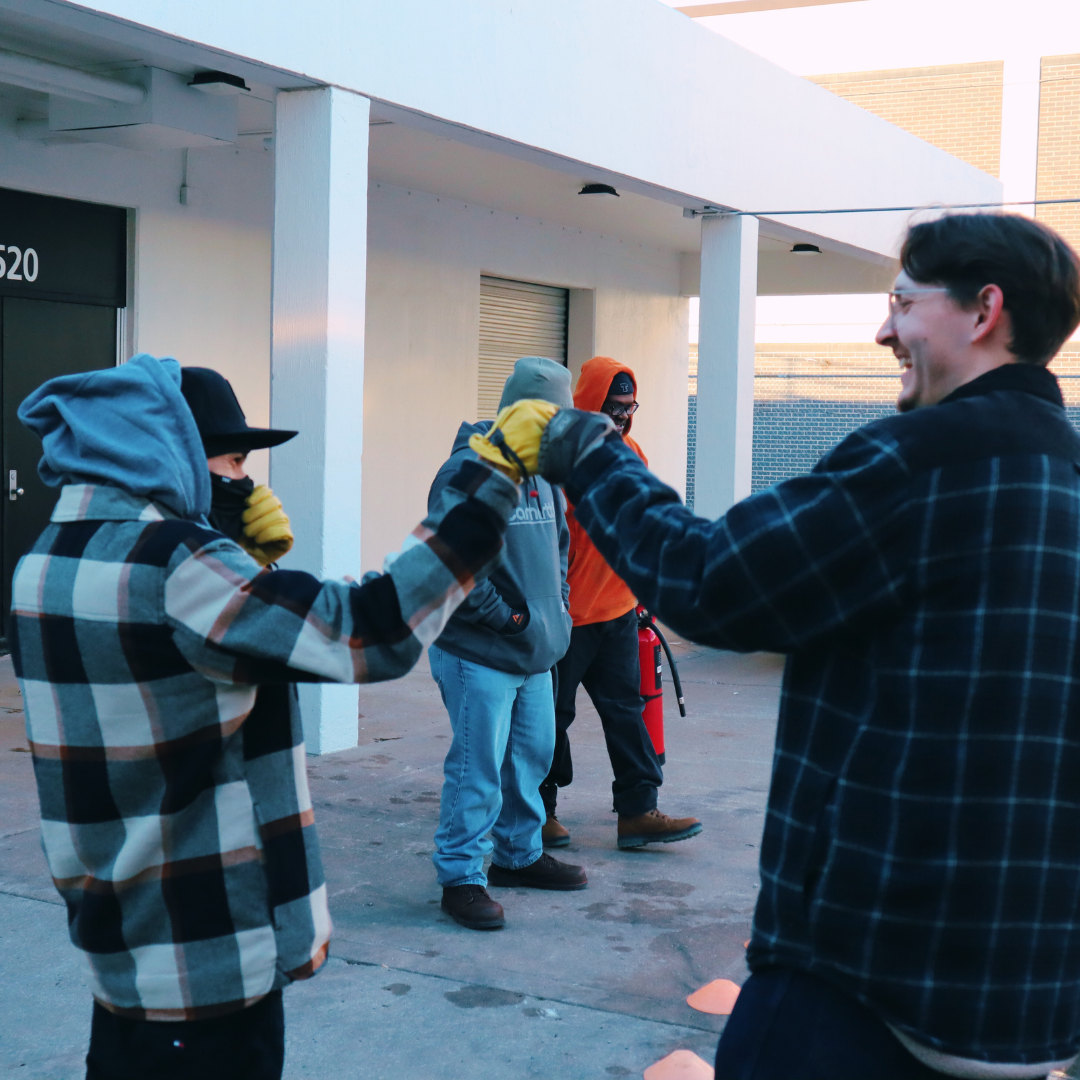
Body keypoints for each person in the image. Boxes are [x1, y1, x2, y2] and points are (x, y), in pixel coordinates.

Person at [533, 213, 1080, 1077]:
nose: (883, 330)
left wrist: (585, 450)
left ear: (984, 311)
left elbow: (713, 580)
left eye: (902, 303)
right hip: (1026, 1008)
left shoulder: (925, 460)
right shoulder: (1066, 475)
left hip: (865, 987)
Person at [10, 353, 546, 1080]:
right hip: (210, 963)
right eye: (231, 460)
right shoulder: (178, 566)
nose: (243, 478)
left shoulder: (43, 561)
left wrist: (239, 562)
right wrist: (487, 483)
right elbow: (372, 630)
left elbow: (171, 674)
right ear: (168, 453)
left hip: (122, 947)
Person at [428, 356, 586, 932]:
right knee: (478, 767)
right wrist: (512, 619)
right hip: (479, 651)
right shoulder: (467, 471)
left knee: (531, 759)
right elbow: (453, 563)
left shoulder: (543, 475)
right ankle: (462, 876)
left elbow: (559, 551)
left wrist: (555, 614)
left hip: (535, 651)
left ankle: (518, 855)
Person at [538, 356, 701, 851]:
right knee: (551, 718)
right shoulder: (560, 459)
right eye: (614, 406)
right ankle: (538, 812)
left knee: (627, 713)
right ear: (589, 404)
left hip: (618, 613)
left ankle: (638, 812)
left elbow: (639, 529)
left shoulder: (632, 451)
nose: (624, 416)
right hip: (567, 618)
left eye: (630, 407)